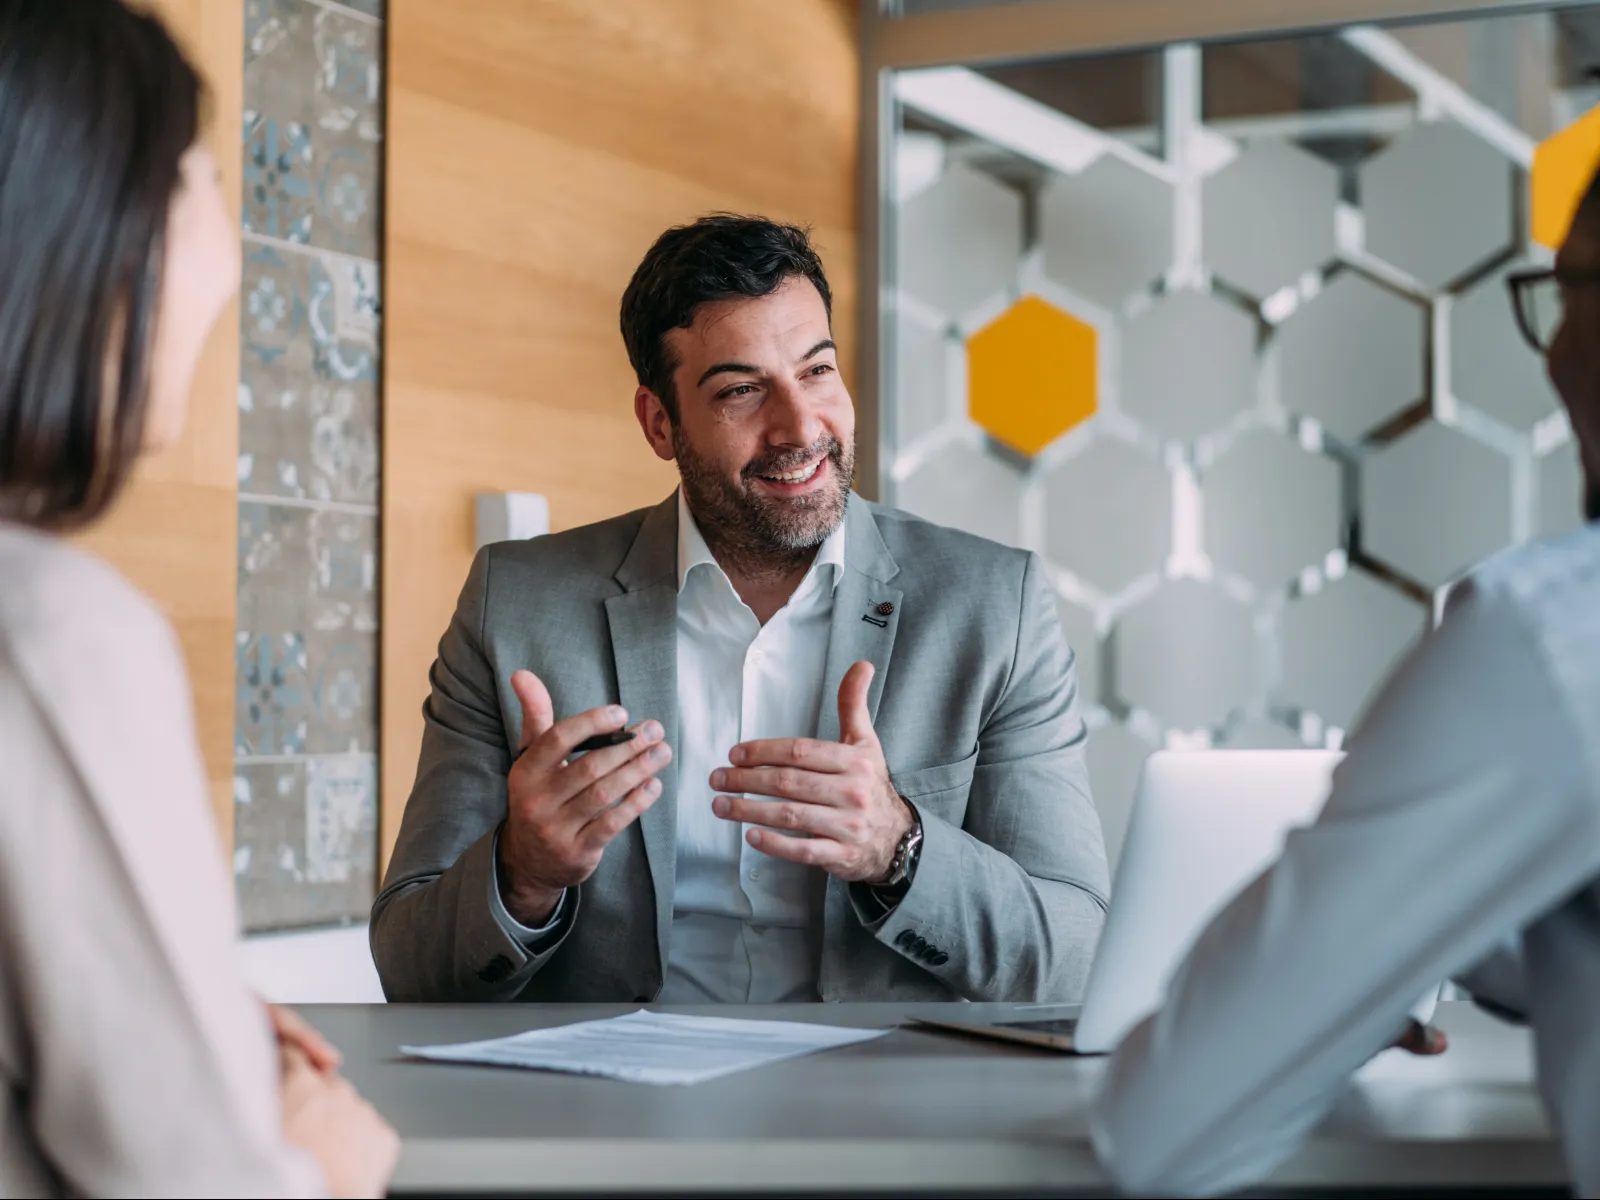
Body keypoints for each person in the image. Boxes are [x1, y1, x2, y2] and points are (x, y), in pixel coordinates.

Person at [373, 214, 1110, 1004]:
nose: (800, 428)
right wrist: (522, 874)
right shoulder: (514, 604)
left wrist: (899, 846)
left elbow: (1072, 956)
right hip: (613, 1109)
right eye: (740, 391)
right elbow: (412, 969)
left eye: (817, 371)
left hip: (876, 1106)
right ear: (660, 423)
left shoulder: (994, 606)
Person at [1092, 166, 1600, 1197]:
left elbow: (1165, 1129)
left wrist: (1341, 970)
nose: (1550, 351)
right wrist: (1396, 935)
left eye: (1570, 290)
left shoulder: (1554, 637)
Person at [0, 1, 397, 1195]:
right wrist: (315, 1165)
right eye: (202, 179)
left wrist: (195, 1031)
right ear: (85, 227)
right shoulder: (57, 637)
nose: (229, 250)